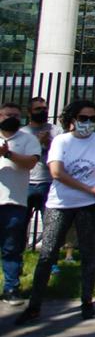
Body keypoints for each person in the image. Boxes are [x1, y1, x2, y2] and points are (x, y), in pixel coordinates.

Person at [17, 98, 95, 325]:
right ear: (73, 119)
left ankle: (87, 302)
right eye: (83, 118)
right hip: (60, 204)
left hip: (88, 205)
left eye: (93, 119)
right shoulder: (61, 141)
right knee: (48, 252)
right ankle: (34, 305)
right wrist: (89, 188)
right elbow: (56, 172)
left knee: (89, 254)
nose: (88, 123)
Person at [0, 101, 39, 304]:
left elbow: (31, 162)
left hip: (14, 201)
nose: (12, 118)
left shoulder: (28, 139)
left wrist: (7, 154)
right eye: (7, 115)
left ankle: (11, 288)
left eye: (16, 115)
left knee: (11, 247)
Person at [19, 97, 58, 239]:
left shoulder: (56, 131)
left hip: (49, 181)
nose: (42, 111)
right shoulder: (22, 132)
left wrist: (49, 143)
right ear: (29, 112)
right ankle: (19, 252)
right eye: (38, 109)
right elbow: (18, 155)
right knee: (20, 222)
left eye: (44, 109)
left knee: (50, 222)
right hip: (26, 181)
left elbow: (62, 154)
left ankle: (48, 256)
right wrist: (37, 142)